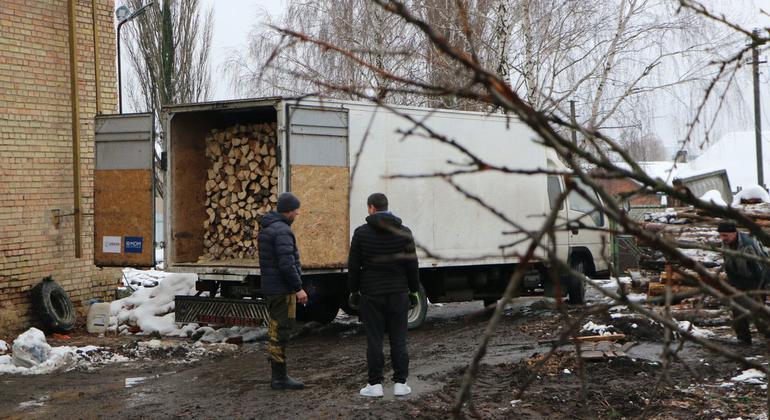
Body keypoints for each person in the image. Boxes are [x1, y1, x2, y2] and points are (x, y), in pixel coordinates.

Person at [347, 193, 420, 398]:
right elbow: (412, 265)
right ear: (387, 206)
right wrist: (413, 290)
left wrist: (353, 291)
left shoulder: (361, 233)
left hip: (371, 294)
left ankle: (375, 385)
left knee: (375, 339)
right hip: (398, 293)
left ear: (371, 208)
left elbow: (353, 266)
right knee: (399, 339)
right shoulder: (404, 232)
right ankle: (400, 384)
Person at [258, 192, 308, 390]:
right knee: (281, 331)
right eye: (295, 210)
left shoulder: (268, 228)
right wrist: (298, 289)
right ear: (288, 211)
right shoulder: (282, 231)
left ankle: (278, 374)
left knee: (275, 329)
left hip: (272, 288)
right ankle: (279, 378)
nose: (297, 214)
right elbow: (287, 264)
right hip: (282, 290)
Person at [718, 222, 770, 345]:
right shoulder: (725, 245)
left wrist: (763, 287)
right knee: (736, 307)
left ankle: (767, 333)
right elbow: (729, 267)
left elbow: (760, 268)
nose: (723, 238)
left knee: (757, 310)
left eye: (725, 235)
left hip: (757, 279)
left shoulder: (748, 245)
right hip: (740, 279)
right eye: (721, 235)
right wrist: (733, 286)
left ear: (734, 233)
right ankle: (743, 339)